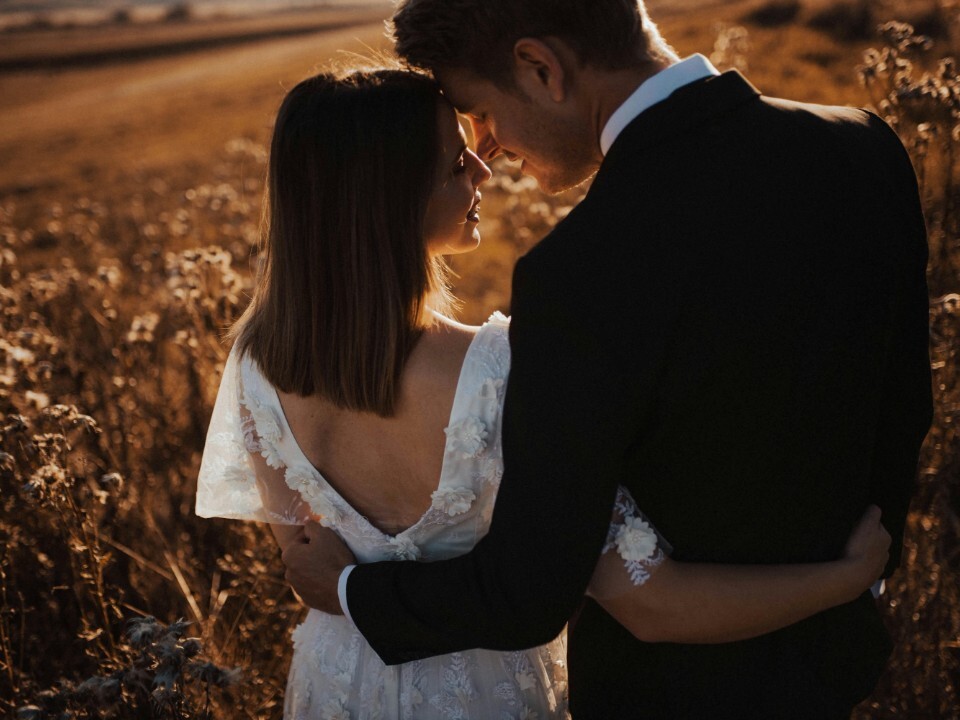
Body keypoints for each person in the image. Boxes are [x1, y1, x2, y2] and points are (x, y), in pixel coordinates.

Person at [280, 2, 934, 719]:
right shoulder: (863, 146)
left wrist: (348, 591)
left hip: (661, 696)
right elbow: (905, 409)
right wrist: (853, 586)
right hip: (833, 673)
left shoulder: (579, 274)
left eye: (481, 115)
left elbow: (529, 594)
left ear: (541, 68)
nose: (487, 151)